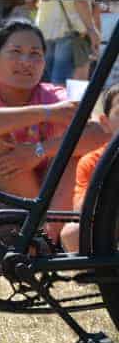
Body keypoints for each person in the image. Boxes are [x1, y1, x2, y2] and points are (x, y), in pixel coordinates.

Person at [0, 21, 109, 240]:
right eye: (16, 52)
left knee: (73, 151)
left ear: (44, 61)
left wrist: (39, 150)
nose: (26, 62)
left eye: (35, 53)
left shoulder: (55, 95)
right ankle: (42, 232)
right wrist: (46, 113)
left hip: (36, 198)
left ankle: (50, 232)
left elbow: (100, 132)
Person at [60, 84, 119, 252]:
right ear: (105, 123)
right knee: (72, 232)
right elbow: (81, 212)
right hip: (112, 223)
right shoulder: (93, 161)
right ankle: (100, 272)